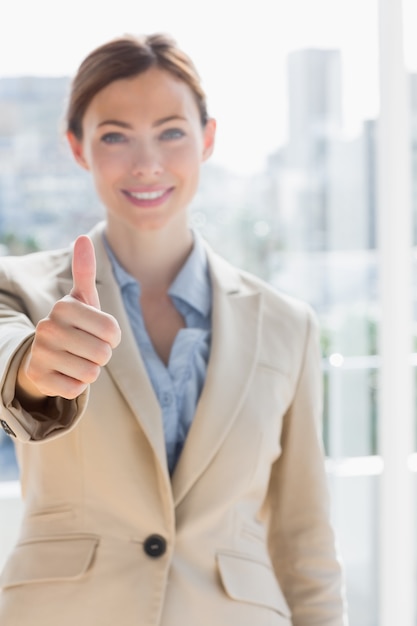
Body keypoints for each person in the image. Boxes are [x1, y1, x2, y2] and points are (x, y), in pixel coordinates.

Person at [0, 33, 348, 626]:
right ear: (77, 148)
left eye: (171, 131)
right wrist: (34, 368)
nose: (147, 163)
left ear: (207, 139)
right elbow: (10, 361)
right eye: (114, 136)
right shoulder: (22, 289)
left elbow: (304, 541)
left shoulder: (288, 324)